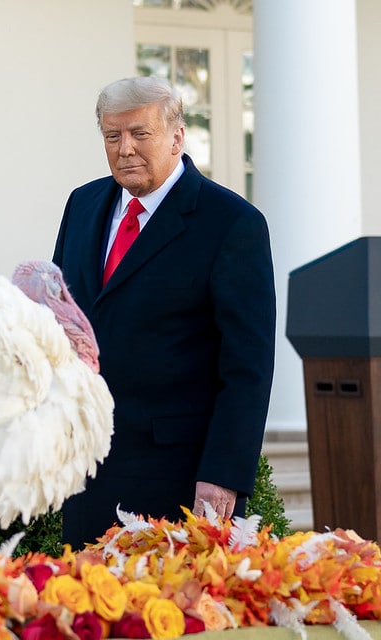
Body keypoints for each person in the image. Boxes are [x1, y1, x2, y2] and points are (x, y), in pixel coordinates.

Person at [53, 76, 275, 549]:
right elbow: (62, 320)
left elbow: (247, 368)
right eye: (112, 136)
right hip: (85, 470)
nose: (125, 148)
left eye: (139, 133)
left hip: (176, 480)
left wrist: (223, 475)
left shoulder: (232, 224)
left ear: (177, 137)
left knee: (165, 619)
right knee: (86, 614)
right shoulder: (82, 205)